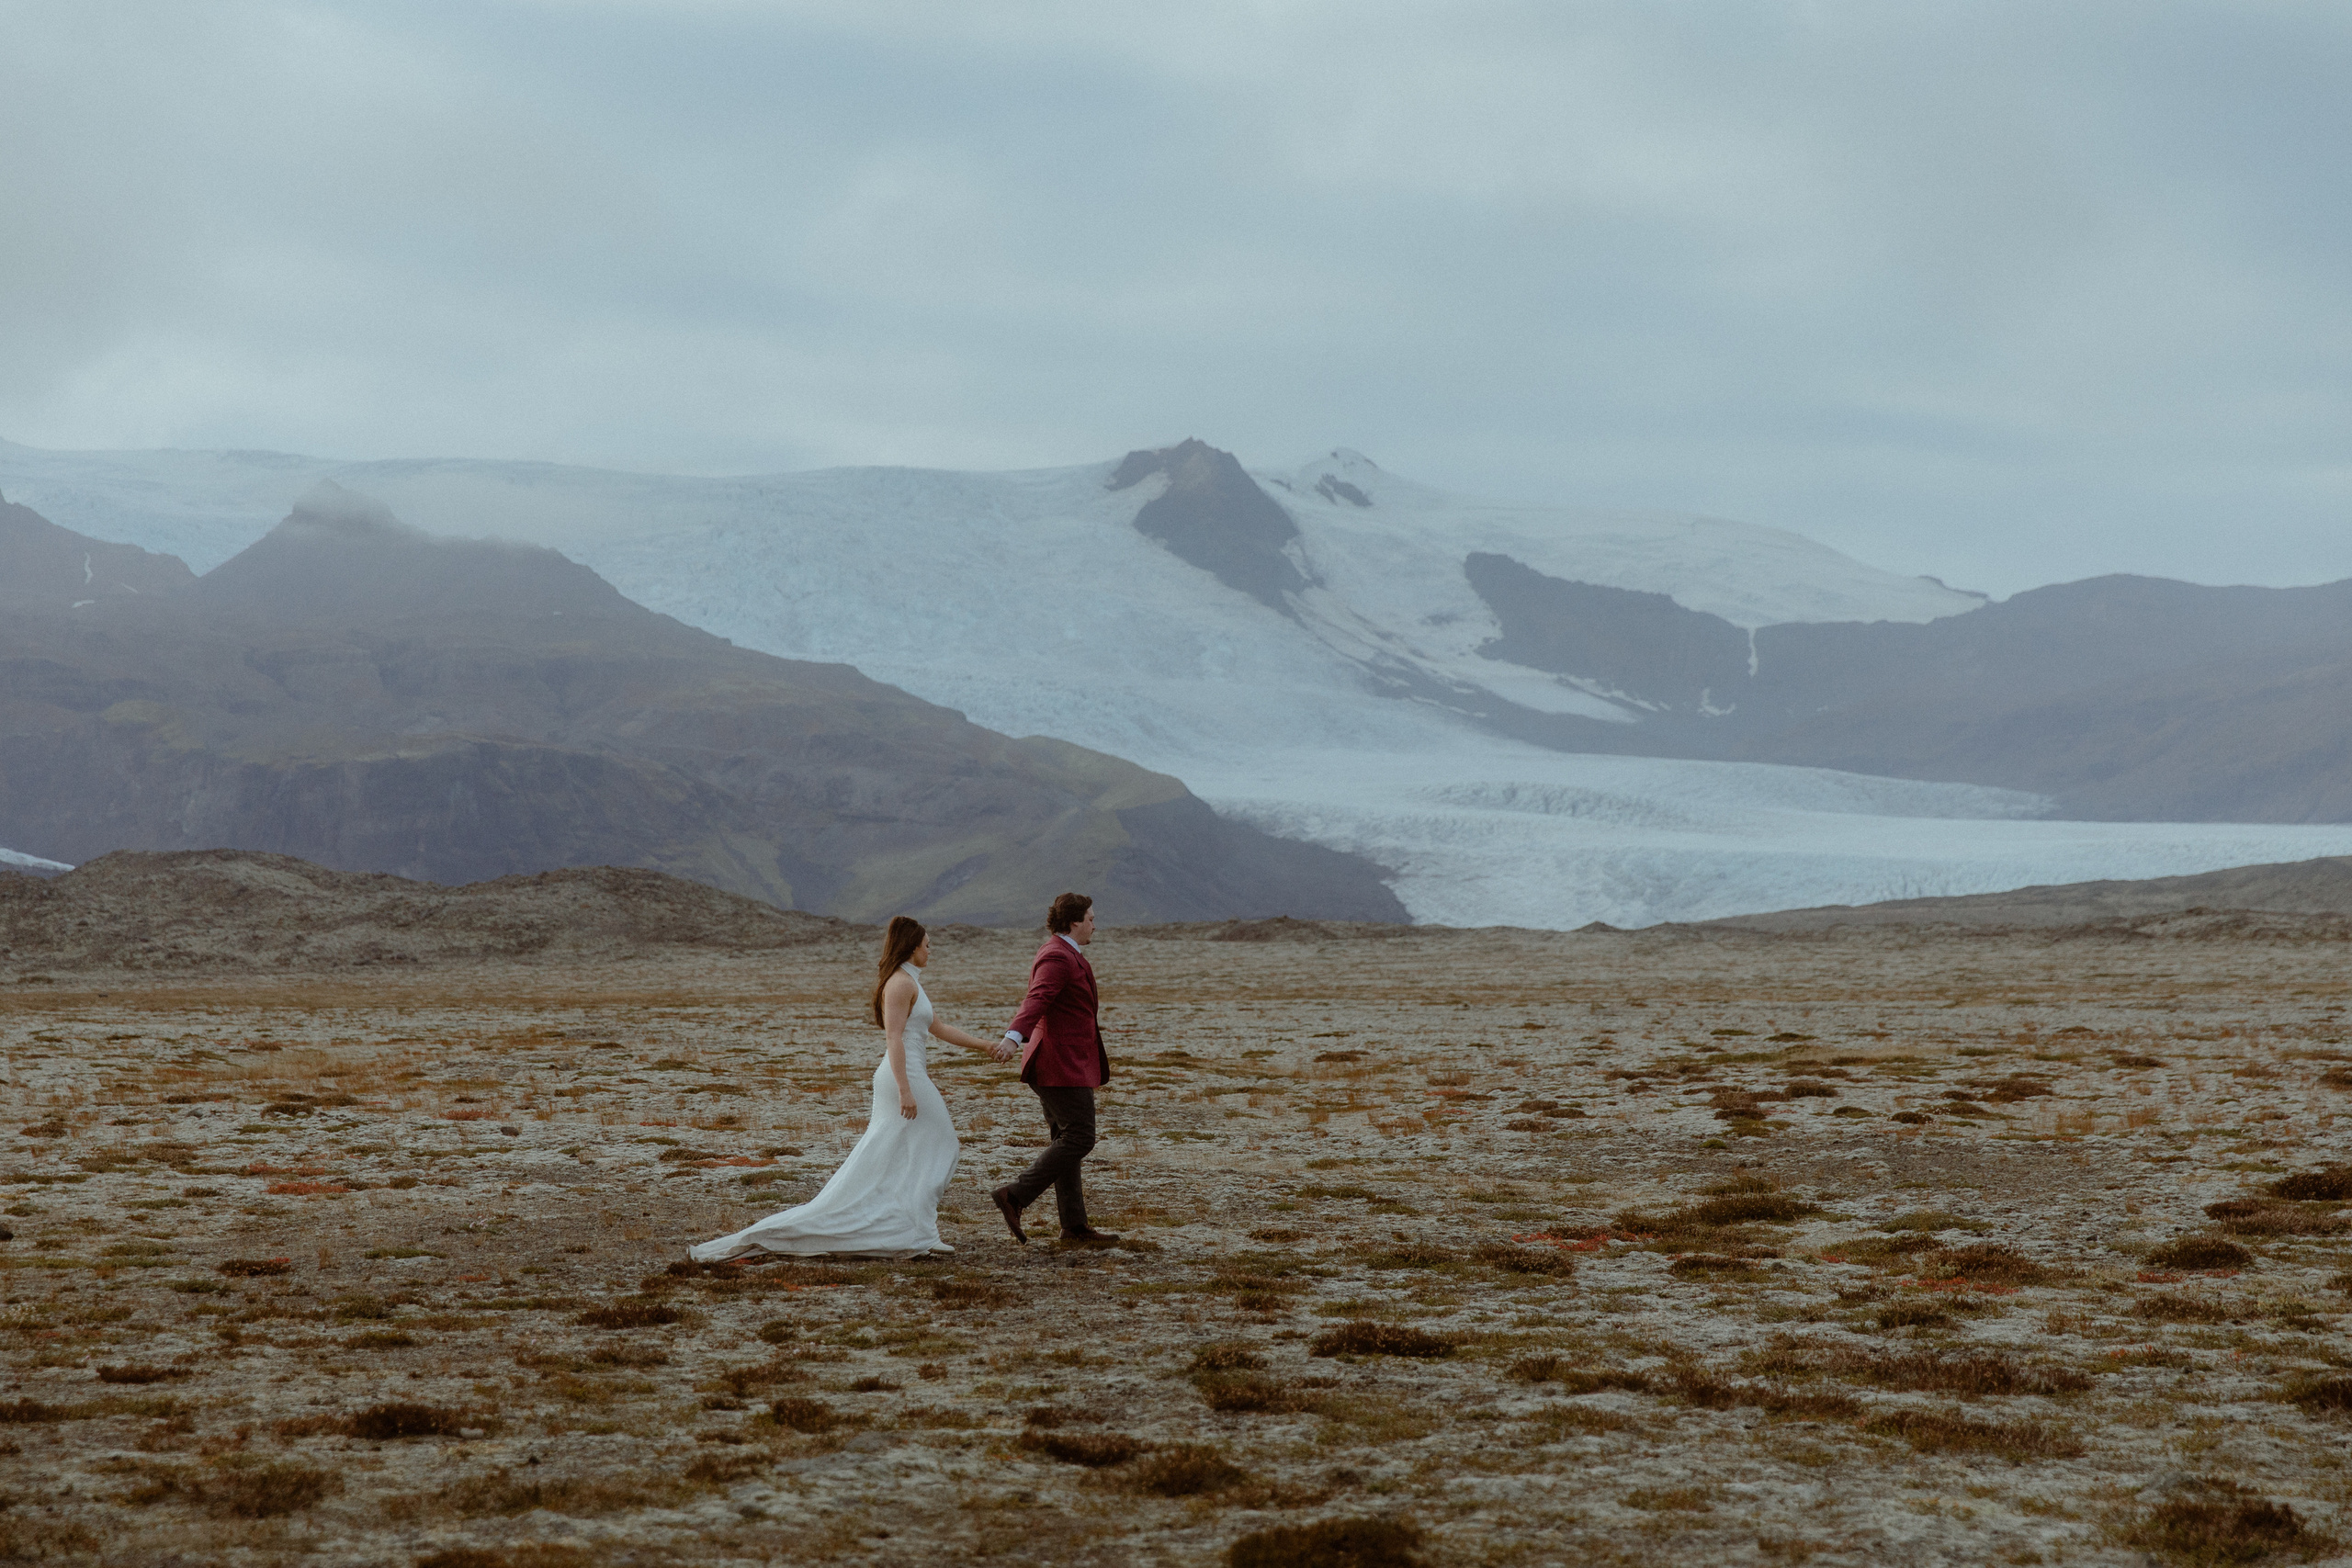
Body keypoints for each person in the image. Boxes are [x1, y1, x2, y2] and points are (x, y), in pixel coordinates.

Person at [690, 916, 1013, 1261]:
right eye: (928, 945)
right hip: (902, 1074)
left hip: (907, 1072)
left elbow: (940, 1027)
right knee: (943, 1142)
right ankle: (919, 1230)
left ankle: (919, 1229)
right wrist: (905, 1089)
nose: (931, 951)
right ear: (912, 947)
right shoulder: (901, 984)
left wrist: (985, 1046)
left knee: (901, 1151)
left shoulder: (911, 983)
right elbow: (894, 1038)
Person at [991, 891, 1119, 1247]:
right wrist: (1012, 1038)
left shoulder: (1066, 953)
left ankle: (1074, 1228)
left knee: (1067, 1140)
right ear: (1074, 921)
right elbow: (1037, 999)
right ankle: (1014, 1196)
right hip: (1058, 1063)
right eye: (1091, 918)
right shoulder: (1057, 956)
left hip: (1062, 1061)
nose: (1095, 924)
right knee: (1080, 1136)